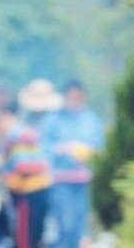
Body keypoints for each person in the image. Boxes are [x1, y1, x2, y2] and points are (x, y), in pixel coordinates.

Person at [39, 80, 105, 248]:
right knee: (63, 226)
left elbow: (100, 148)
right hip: (61, 180)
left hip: (85, 181)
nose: (74, 99)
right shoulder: (53, 119)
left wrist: (87, 152)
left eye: (78, 96)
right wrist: (62, 148)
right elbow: (42, 146)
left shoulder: (91, 120)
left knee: (81, 227)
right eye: (71, 96)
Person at [0, 101, 53, 248]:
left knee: (25, 240)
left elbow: (24, 166)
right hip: (40, 190)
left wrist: (7, 175)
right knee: (34, 237)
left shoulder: (16, 135)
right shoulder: (26, 131)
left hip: (28, 194)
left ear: (6, 116)